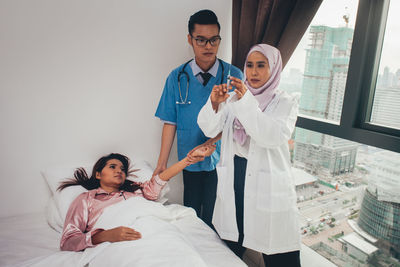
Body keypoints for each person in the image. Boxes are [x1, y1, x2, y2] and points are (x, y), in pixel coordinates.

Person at [195, 44, 301, 266]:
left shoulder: (285, 102)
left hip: (267, 181)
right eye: (250, 65)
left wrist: (244, 101)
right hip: (235, 176)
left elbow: (271, 135)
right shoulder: (234, 97)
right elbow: (209, 128)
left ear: (273, 69)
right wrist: (214, 103)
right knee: (230, 243)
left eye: (261, 65)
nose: (253, 72)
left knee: (280, 253)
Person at [153, 9, 243, 228]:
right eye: (201, 40)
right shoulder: (176, 77)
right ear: (190, 40)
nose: (208, 46)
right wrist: (162, 164)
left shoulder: (234, 76)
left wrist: (213, 143)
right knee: (191, 217)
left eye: (214, 40)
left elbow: (239, 123)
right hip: (190, 160)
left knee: (216, 220)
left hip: (222, 162)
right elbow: (170, 121)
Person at [59, 146, 214, 252]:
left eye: (122, 169)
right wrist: (105, 235)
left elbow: (159, 180)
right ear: (98, 174)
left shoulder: (137, 191)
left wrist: (188, 160)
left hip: (155, 230)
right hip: (120, 242)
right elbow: (68, 241)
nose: (119, 171)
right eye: (112, 167)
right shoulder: (87, 199)